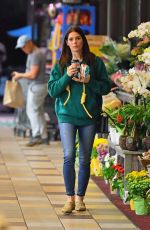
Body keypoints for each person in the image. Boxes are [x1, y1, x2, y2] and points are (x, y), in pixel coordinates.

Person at [48, 26, 111, 214]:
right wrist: (67, 76)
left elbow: (106, 88)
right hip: (66, 115)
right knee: (68, 156)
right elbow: (52, 90)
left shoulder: (95, 62)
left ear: (83, 40)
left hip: (89, 116)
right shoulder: (60, 65)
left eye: (77, 38)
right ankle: (70, 199)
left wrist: (89, 81)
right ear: (66, 42)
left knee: (84, 159)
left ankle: (81, 199)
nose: (74, 42)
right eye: (71, 39)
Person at [12, 35, 49, 146]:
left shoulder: (35, 55)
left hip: (37, 86)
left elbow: (33, 74)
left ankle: (37, 135)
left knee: (32, 111)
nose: (23, 49)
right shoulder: (34, 53)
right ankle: (44, 136)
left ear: (29, 42)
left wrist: (19, 75)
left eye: (24, 46)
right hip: (40, 85)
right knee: (39, 111)